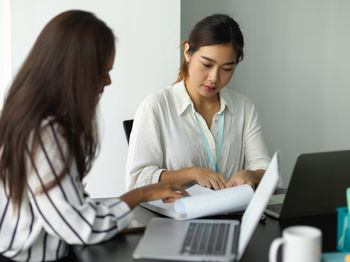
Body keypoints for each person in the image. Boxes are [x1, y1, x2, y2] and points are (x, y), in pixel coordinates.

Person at [0, 10, 188, 262]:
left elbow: (72, 208)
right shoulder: (45, 133)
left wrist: (139, 195)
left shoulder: (30, 116)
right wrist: (140, 194)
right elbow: (79, 225)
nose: (108, 81)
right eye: (102, 71)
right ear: (74, 71)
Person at [126, 14, 270, 191]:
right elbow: (137, 180)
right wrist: (192, 173)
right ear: (188, 53)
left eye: (227, 69)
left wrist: (252, 175)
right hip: (177, 216)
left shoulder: (244, 107)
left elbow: (265, 169)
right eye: (207, 65)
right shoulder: (156, 106)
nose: (214, 78)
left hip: (232, 215)